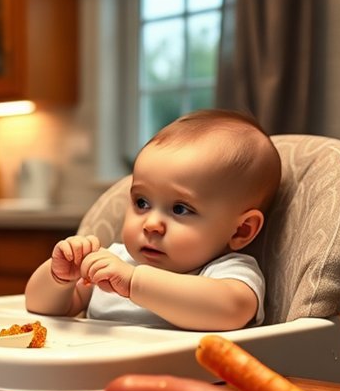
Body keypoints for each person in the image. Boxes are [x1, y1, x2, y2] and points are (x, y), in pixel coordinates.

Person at [25, 110, 282, 331]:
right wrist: (58, 278)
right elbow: (42, 309)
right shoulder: (114, 260)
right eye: (142, 203)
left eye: (180, 209)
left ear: (241, 230)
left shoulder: (226, 273)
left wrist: (134, 282)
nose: (151, 224)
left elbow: (230, 309)